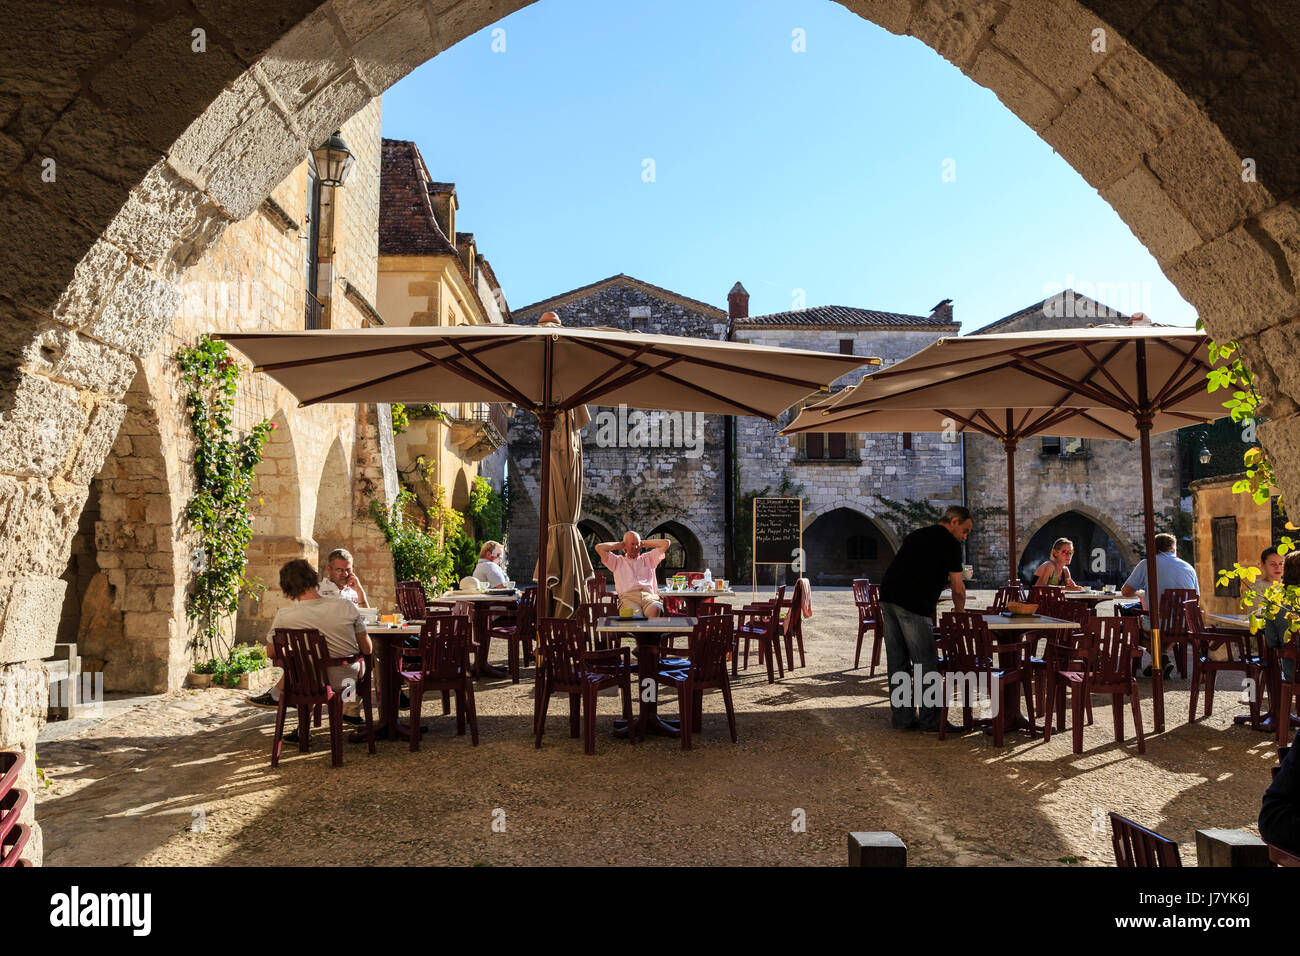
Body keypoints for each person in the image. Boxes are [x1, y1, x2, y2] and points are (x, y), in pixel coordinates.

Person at [248, 560, 372, 739]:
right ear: (314, 579)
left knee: (304, 663)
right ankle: (357, 714)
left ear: (287, 588)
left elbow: (271, 653)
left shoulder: (285, 616)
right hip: (347, 679)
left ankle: (280, 699)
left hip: (309, 680)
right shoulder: (345, 606)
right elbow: (367, 649)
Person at [878, 505, 971, 734]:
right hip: (913, 603)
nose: (965, 536)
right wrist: (960, 613)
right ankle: (931, 721)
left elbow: (916, 568)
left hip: (888, 597)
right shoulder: (950, 543)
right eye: (965, 530)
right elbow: (959, 588)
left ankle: (902, 719)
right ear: (954, 521)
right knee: (925, 663)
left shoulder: (917, 535)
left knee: (898, 661)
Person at [1121, 532, 1199, 677]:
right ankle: (1162, 657)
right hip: (1183, 625)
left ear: (1154, 549)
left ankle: (1160, 658)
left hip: (1157, 624)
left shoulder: (1147, 563)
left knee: (1135, 621)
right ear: (1173, 549)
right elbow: (1196, 599)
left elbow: (1125, 591)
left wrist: (1140, 594)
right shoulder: (1189, 568)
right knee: (1165, 626)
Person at [594, 532, 671, 618]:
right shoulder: (617, 561)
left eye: (637, 544)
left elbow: (666, 543)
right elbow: (599, 548)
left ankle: (649, 631)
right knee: (635, 616)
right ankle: (639, 631)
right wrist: (621, 544)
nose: (635, 547)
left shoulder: (648, 558)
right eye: (632, 544)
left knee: (655, 610)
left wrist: (643, 543)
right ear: (624, 547)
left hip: (649, 597)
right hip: (628, 598)